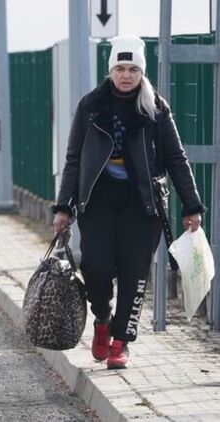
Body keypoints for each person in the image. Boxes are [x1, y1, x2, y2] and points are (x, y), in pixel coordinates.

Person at [52, 34, 205, 370]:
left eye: (133, 69)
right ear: (110, 71)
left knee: (135, 272)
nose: (126, 75)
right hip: (98, 201)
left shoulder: (155, 108)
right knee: (96, 267)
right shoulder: (91, 106)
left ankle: (121, 341)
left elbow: (176, 158)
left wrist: (192, 206)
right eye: (120, 68)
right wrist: (64, 206)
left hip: (142, 203)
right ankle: (102, 320)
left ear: (142, 72)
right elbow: (74, 158)